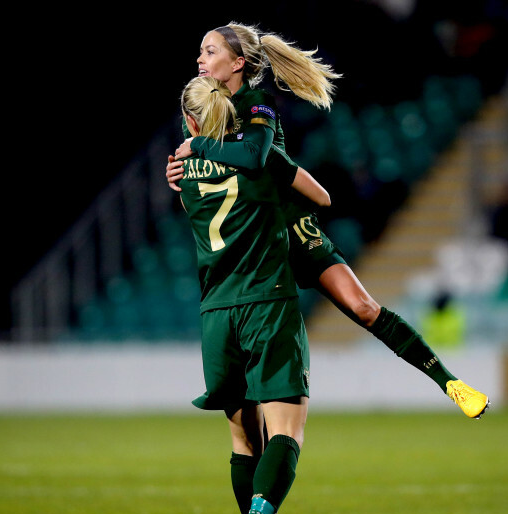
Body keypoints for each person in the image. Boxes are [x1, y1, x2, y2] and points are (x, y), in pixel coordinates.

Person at [166, 22, 489, 421]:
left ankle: (450, 383)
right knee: (245, 403)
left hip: (288, 226)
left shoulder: (256, 105)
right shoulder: (196, 113)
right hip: (248, 241)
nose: (201, 58)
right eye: (201, 51)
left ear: (239, 62)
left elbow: (252, 156)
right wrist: (180, 182)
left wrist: (197, 147)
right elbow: (202, 192)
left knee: (363, 308)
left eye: (210, 51)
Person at [178, 75, 332, 514]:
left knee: (244, 439)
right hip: (266, 302)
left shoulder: (185, 176)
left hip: (215, 313)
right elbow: (320, 198)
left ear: (192, 120)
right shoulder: (256, 162)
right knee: (288, 429)